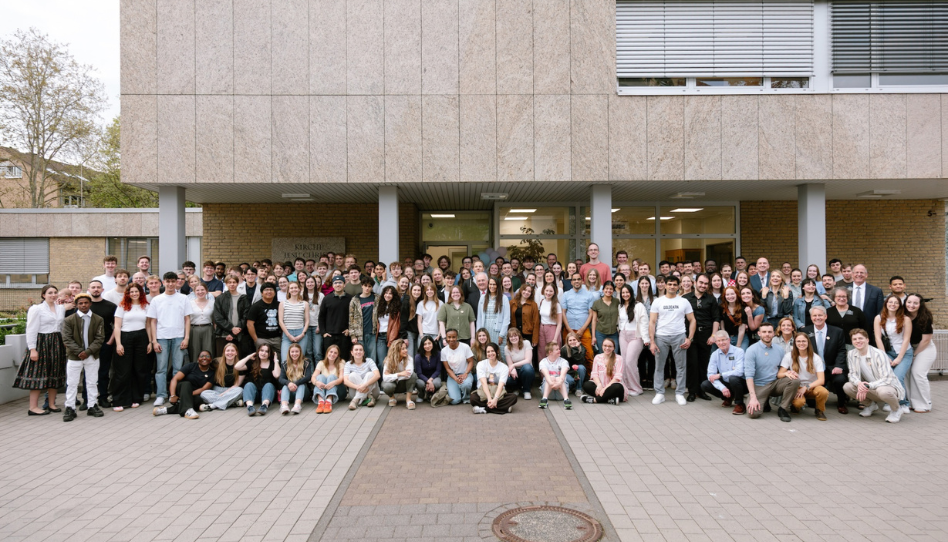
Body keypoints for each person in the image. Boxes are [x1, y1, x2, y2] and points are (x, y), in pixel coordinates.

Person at [648, 276, 695, 406]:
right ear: (665, 285)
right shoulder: (658, 301)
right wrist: (652, 341)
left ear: (678, 286)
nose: (672, 287)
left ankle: (679, 393)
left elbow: (692, 320)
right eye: (670, 284)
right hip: (661, 336)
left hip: (679, 336)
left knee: (681, 367)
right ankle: (659, 393)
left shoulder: (684, 301)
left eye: (674, 284)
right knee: (659, 366)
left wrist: (690, 338)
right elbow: (652, 322)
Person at [147, 272, 191, 407]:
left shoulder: (183, 298)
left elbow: (187, 319)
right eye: (168, 281)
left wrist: (186, 338)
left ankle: (175, 394)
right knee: (161, 368)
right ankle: (161, 395)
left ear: (176, 282)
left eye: (173, 281)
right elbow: (153, 321)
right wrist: (154, 341)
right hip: (161, 337)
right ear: (163, 282)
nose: (171, 284)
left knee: (178, 368)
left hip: (178, 336)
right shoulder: (157, 300)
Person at [60, 294, 106, 421]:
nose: (83, 305)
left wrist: (88, 351)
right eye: (80, 303)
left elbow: (100, 338)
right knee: (72, 383)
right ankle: (70, 407)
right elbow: (67, 338)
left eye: (86, 303)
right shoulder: (69, 320)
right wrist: (80, 352)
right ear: (76, 305)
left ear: (90, 304)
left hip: (92, 356)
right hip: (75, 357)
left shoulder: (98, 319)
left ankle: (92, 405)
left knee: (92, 382)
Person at [844, 328, 905, 423]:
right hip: (869, 387)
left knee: (883, 391)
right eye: (854, 339)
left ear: (867, 340)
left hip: (888, 387)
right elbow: (852, 374)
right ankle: (870, 405)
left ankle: (896, 409)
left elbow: (887, 378)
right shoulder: (851, 354)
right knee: (847, 387)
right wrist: (859, 383)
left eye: (860, 338)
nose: (858, 341)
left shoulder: (879, 354)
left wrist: (868, 385)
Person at [744, 323, 801, 422]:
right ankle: (761, 400)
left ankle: (783, 408)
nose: (767, 334)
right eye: (764, 332)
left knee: (794, 380)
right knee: (753, 414)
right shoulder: (751, 350)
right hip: (760, 385)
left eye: (769, 332)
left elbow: (782, 368)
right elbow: (749, 376)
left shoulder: (779, 349)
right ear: (759, 333)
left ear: (773, 333)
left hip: (775, 383)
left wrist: (789, 373)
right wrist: (753, 397)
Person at [801, 306, 848, 414]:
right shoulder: (805, 331)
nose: (817, 318)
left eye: (820, 315)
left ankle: (841, 403)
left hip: (832, 367)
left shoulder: (837, 331)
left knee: (840, 380)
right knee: (811, 403)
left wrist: (838, 366)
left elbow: (841, 350)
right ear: (811, 317)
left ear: (825, 316)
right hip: (815, 370)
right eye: (814, 315)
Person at [112, 283, 149, 411]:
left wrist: (150, 342)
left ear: (141, 293)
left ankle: (135, 398)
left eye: (136, 291)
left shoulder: (146, 306)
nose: (134, 294)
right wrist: (118, 344)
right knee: (123, 370)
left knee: (139, 369)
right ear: (127, 294)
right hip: (125, 337)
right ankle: (119, 400)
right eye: (131, 292)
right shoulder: (122, 306)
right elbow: (117, 326)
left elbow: (148, 325)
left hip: (142, 337)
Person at [873, 295, 913, 412]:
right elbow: (878, 338)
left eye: (896, 303)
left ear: (899, 305)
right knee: (887, 377)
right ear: (886, 304)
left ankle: (903, 403)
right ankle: (889, 402)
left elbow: (906, 339)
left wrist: (899, 358)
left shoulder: (906, 319)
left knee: (898, 377)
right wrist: (884, 356)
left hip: (904, 353)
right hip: (888, 352)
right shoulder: (879, 318)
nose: (893, 304)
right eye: (890, 302)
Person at [683, 275, 719, 402]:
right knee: (692, 364)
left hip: (706, 335)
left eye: (705, 283)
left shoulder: (711, 299)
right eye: (701, 283)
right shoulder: (685, 298)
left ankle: (702, 391)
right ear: (695, 282)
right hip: (690, 336)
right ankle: (692, 391)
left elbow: (716, 318)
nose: (703, 285)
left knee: (704, 364)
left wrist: (713, 335)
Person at [779, 332, 828, 421]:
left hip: (812, 386)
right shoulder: (789, 356)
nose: (801, 343)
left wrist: (806, 387)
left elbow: (821, 380)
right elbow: (779, 374)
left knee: (823, 392)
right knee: (799, 403)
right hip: (797, 387)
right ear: (795, 343)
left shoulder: (816, 358)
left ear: (808, 342)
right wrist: (786, 373)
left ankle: (819, 410)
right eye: (798, 341)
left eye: (804, 341)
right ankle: (795, 406)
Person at [151, 350, 215, 419]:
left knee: (198, 401)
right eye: (201, 356)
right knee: (186, 384)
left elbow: (203, 388)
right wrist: (173, 395)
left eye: (207, 356)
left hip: (192, 395)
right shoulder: (190, 366)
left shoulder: (212, 373)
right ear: (198, 359)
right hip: (179, 391)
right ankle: (189, 410)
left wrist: (186, 396)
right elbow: (175, 379)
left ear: (211, 359)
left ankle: (164, 410)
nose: (204, 358)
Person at [86, 279, 117, 409]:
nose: (96, 289)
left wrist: (111, 341)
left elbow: (117, 325)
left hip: (105, 343)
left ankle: (103, 397)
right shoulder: (84, 305)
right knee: (87, 371)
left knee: (103, 372)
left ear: (102, 290)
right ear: (89, 290)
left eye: (98, 287)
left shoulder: (110, 306)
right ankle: (87, 399)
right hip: (87, 344)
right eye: (93, 287)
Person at [700, 331, 747, 414]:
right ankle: (728, 397)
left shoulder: (739, 351)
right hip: (726, 382)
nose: (721, 343)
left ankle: (740, 404)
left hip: (740, 383)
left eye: (723, 340)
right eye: (718, 341)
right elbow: (710, 375)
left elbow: (739, 372)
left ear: (729, 340)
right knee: (705, 384)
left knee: (733, 379)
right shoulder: (715, 354)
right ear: (715, 342)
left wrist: (720, 375)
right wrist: (722, 388)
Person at [904, 294, 934, 413]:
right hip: (908, 347)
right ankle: (911, 402)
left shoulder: (925, 317)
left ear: (920, 305)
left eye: (915, 303)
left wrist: (914, 355)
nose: (911, 305)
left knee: (918, 373)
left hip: (924, 347)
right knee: (906, 373)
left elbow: (926, 340)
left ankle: (925, 403)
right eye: (909, 302)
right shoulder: (902, 315)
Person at [616, 284, 646, 397]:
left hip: (636, 336)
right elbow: (619, 321)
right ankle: (626, 386)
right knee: (623, 362)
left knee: (630, 362)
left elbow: (644, 322)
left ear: (631, 293)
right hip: (623, 335)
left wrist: (646, 338)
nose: (625, 294)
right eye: (623, 293)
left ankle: (636, 388)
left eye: (627, 292)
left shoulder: (638, 305)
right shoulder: (620, 306)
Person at [471, 342, 518, 414]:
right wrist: (489, 399)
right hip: (484, 392)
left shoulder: (504, 367)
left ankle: (484, 409)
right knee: (473, 398)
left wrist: (495, 399)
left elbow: (501, 385)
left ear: (497, 351)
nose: (490, 353)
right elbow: (483, 383)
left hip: (498, 393)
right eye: (488, 352)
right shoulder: (481, 364)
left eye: (492, 351)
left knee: (513, 397)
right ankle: (503, 408)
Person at [198, 342, 245, 411]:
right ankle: (231, 403)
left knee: (240, 390)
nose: (230, 353)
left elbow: (236, 385)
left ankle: (213, 406)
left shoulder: (240, 365)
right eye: (228, 351)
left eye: (232, 351)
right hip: (217, 390)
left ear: (236, 353)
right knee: (203, 394)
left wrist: (224, 393)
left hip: (231, 390)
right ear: (224, 353)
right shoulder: (217, 362)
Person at [212, 275, 250, 358]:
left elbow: (245, 316)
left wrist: (235, 331)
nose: (232, 284)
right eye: (229, 282)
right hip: (223, 334)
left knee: (238, 359)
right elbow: (218, 317)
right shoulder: (220, 298)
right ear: (226, 284)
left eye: (234, 282)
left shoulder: (244, 298)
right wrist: (231, 328)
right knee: (221, 359)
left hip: (239, 334)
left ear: (237, 283)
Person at [237, 343, 281, 416]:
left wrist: (276, 360)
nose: (263, 353)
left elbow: (277, 375)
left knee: (269, 385)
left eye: (266, 351)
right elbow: (237, 367)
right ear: (258, 351)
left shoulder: (272, 364)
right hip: (255, 394)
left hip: (268, 394)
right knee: (248, 384)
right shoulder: (253, 362)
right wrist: (249, 357)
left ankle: (264, 406)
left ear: (269, 354)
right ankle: (250, 407)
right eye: (262, 350)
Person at [319, 275, 353, 362]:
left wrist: (349, 329)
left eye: (340, 283)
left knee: (344, 359)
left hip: (344, 335)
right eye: (336, 283)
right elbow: (321, 316)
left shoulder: (350, 299)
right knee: (329, 359)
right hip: (329, 335)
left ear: (344, 284)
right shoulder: (327, 298)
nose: (338, 285)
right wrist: (323, 333)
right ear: (333, 285)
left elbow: (354, 316)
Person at [581, 338, 626, 404]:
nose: (607, 348)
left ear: (613, 348)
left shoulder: (619, 358)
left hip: (612, 387)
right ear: (602, 346)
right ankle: (609, 400)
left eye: (610, 346)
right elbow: (594, 374)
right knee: (586, 385)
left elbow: (617, 377)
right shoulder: (597, 357)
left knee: (617, 387)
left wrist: (605, 389)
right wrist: (599, 385)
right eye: (605, 346)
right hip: (601, 386)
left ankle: (595, 400)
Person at [476, 277, 510, 354]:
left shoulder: (504, 298)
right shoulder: (483, 298)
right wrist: (479, 333)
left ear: (498, 285)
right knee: (486, 352)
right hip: (486, 330)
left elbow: (506, 318)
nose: (492, 286)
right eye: (490, 284)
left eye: (494, 284)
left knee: (499, 353)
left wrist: (502, 335)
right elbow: (480, 317)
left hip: (498, 331)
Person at [278, 281, 310, 364]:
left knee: (300, 360)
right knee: (285, 360)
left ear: (299, 289)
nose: (294, 289)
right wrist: (289, 335)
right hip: (287, 333)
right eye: (291, 288)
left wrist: (302, 334)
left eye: (295, 287)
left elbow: (307, 321)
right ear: (288, 290)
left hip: (301, 333)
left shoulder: (305, 304)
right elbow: (281, 321)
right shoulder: (283, 303)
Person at [246, 283, 282, 355]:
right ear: (262, 293)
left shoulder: (279, 305)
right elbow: (250, 324)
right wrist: (256, 340)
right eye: (266, 290)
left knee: (279, 359)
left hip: (277, 339)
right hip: (262, 339)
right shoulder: (256, 306)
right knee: (263, 359)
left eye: (271, 290)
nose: (269, 292)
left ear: (275, 293)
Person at [381, 338, 416, 409]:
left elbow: (409, 375)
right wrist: (399, 374)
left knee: (413, 375)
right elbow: (385, 378)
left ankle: (408, 400)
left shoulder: (409, 359)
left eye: (405, 348)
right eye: (403, 349)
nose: (406, 350)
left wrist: (391, 376)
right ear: (396, 350)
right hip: (393, 385)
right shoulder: (388, 360)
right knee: (387, 386)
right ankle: (392, 397)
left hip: (403, 385)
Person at [278, 343, 312, 415]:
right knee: (285, 386)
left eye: (296, 351)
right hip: (290, 392)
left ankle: (297, 405)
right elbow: (281, 378)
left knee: (301, 385)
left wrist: (296, 383)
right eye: (292, 352)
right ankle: (284, 406)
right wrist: (289, 383)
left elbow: (308, 377)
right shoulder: (285, 364)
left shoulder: (306, 363)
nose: (294, 354)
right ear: (289, 353)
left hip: (304, 393)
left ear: (300, 352)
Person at [348, 277, 377, 362]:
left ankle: (373, 371)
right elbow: (351, 318)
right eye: (365, 286)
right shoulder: (355, 300)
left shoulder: (376, 298)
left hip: (372, 332)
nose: (367, 288)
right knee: (360, 356)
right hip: (359, 333)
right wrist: (353, 335)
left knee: (372, 357)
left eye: (369, 286)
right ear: (362, 286)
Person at [344, 343, 381, 409]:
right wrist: (358, 387)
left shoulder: (369, 361)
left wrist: (364, 385)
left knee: (370, 374)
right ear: (352, 353)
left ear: (363, 352)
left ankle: (355, 400)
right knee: (352, 375)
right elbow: (345, 381)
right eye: (356, 350)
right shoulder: (348, 364)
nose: (358, 352)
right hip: (355, 391)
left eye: (360, 350)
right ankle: (369, 397)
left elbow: (377, 375)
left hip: (373, 392)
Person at [187, 282, 215, 367]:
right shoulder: (189, 303)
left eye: (202, 290)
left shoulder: (212, 303)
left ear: (206, 291)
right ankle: (195, 370)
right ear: (194, 292)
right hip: (194, 329)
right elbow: (186, 319)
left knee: (208, 350)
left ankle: (209, 369)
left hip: (208, 329)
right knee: (195, 351)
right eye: (198, 290)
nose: (200, 292)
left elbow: (214, 319)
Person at [538, 342, 573, 410]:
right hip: (548, 392)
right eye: (557, 349)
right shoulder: (543, 362)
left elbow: (562, 376)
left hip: (561, 393)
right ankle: (544, 399)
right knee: (551, 377)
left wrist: (558, 383)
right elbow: (546, 375)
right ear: (550, 352)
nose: (559, 350)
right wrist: (552, 384)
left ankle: (566, 400)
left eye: (558, 349)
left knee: (559, 378)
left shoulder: (564, 361)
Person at [504, 327, 536, 399]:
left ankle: (526, 390)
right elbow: (510, 364)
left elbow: (528, 360)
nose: (513, 338)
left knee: (527, 368)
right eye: (511, 336)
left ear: (519, 336)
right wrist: (513, 369)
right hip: (515, 370)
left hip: (525, 370)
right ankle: (516, 388)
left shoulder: (526, 343)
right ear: (508, 338)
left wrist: (514, 365)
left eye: (515, 336)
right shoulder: (507, 348)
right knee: (508, 379)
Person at [590, 281, 619, 357]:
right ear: (603, 290)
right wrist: (593, 336)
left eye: (611, 289)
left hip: (613, 333)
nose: (608, 290)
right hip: (600, 333)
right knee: (602, 355)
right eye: (606, 288)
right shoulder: (597, 303)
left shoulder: (617, 302)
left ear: (613, 290)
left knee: (614, 354)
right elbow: (594, 320)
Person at [536, 283, 563, 361]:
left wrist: (555, 338)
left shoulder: (556, 305)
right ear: (544, 291)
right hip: (542, 328)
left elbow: (559, 323)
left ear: (554, 292)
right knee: (542, 350)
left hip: (552, 328)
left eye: (551, 291)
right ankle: (542, 368)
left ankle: (554, 368)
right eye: (547, 290)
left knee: (552, 351)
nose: (548, 293)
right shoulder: (542, 301)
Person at [416, 284, 443, 355]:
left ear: (434, 291)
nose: (429, 291)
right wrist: (421, 335)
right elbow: (419, 321)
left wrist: (439, 335)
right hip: (424, 333)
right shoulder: (421, 304)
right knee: (422, 355)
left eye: (431, 289)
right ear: (425, 292)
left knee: (435, 356)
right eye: (427, 290)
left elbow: (441, 321)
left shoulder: (440, 303)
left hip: (435, 335)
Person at [414, 335, 442, 402]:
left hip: (434, 377)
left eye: (429, 343)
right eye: (425, 344)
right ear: (422, 346)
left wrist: (431, 380)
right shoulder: (418, 356)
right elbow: (419, 373)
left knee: (437, 383)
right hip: (422, 378)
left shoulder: (438, 354)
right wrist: (428, 381)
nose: (427, 346)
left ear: (433, 343)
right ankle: (421, 395)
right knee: (419, 383)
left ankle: (431, 394)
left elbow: (438, 370)